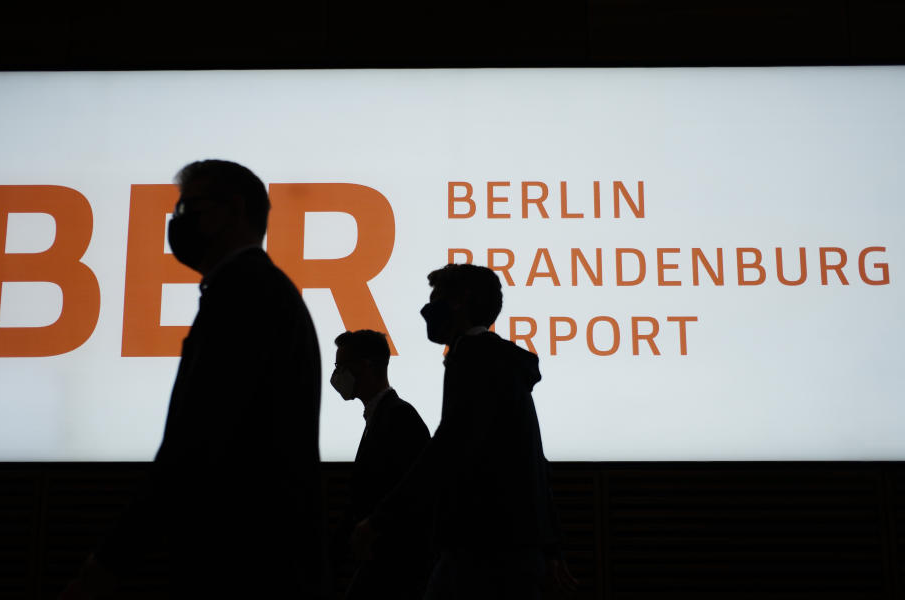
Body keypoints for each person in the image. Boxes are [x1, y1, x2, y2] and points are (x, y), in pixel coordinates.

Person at [62, 160, 326, 599]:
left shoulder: (244, 295)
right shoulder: (260, 290)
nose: (177, 222)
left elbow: (197, 440)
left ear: (235, 209)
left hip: (245, 565)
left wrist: (109, 563)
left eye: (190, 208)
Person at [352, 264, 577, 599]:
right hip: (517, 549)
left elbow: (447, 448)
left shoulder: (471, 360)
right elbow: (533, 462)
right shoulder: (505, 366)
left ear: (460, 301)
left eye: (436, 298)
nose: (427, 308)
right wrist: (551, 546)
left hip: (482, 547)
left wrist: (379, 520)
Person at [329, 330, 432, 600]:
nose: (336, 376)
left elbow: (414, 493)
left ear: (366, 366)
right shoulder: (383, 416)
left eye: (341, 366)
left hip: (395, 563)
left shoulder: (399, 418)